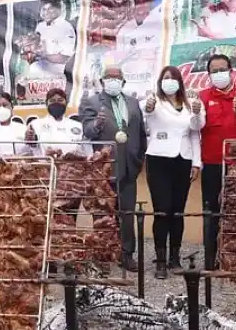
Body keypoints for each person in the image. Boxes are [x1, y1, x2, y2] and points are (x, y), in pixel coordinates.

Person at [79, 65, 147, 273]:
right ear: (102, 81)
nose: (113, 80)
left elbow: (141, 134)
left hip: (129, 166)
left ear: (123, 81)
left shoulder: (134, 103)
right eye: (108, 77)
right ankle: (103, 256)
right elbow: (87, 130)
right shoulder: (91, 102)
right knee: (103, 213)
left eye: (117, 77)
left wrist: (137, 159)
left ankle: (127, 254)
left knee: (127, 212)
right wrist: (97, 124)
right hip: (104, 168)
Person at [196, 54, 236, 271]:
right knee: (212, 212)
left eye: (223, 69)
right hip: (212, 163)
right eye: (214, 70)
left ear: (231, 71)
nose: (219, 74)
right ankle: (210, 259)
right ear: (209, 74)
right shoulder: (201, 97)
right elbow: (195, 128)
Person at [141, 66, 201, 279]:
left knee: (177, 212)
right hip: (159, 160)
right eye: (166, 78)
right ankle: (160, 260)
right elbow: (145, 110)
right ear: (160, 81)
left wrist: (197, 163)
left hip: (183, 161)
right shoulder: (154, 101)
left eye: (173, 78)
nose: (170, 82)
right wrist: (148, 106)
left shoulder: (188, 104)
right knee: (162, 209)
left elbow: (196, 131)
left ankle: (174, 258)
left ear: (180, 82)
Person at [26, 88, 91, 157]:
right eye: (52, 101)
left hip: (73, 166)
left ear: (66, 102)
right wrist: (30, 140)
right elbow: (31, 147)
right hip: (46, 165)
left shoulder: (78, 125)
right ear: (46, 104)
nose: (56, 103)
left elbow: (87, 151)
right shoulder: (36, 124)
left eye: (60, 100)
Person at [30, 0, 77, 78]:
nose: (46, 12)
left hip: (55, 75)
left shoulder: (66, 28)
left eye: (50, 9)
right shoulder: (40, 26)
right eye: (44, 9)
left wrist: (44, 56)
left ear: (58, 10)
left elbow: (64, 58)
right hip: (36, 74)